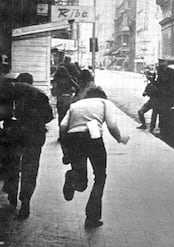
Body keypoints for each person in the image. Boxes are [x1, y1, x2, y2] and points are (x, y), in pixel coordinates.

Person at [59, 86, 129, 228]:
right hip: (93, 138)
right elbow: (112, 124)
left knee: (81, 181)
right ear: (102, 95)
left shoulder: (75, 105)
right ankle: (92, 217)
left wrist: (66, 151)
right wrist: (120, 138)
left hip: (73, 139)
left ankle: (72, 176)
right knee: (100, 177)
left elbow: (62, 126)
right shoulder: (104, 103)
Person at [0, 73, 53, 219]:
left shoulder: (11, 90)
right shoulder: (40, 94)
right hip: (35, 135)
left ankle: (12, 195)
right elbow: (49, 116)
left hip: (13, 134)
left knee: (12, 164)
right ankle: (25, 202)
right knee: (30, 168)